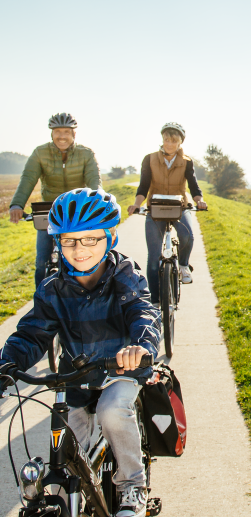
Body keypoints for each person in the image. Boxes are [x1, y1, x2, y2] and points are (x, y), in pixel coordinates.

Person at [0, 188, 161, 517]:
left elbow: (143, 312)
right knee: (70, 454)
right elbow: (32, 333)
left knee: (112, 412)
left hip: (120, 368)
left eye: (90, 239)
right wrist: (6, 364)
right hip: (75, 376)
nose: (80, 249)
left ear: (110, 237)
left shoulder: (124, 276)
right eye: (70, 240)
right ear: (57, 242)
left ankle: (132, 484)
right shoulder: (52, 288)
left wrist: (141, 346)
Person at [9, 113, 102, 287]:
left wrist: (97, 204)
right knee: (42, 262)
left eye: (66, 132)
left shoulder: (86, 154)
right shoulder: (40, 153)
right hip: (49, 211)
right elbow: (28, 179)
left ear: (74, 134)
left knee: (82, 260)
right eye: (57, 131)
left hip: (77, 211)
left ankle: (86, 298)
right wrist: (17, 204)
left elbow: (94, 183)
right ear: (51, 134)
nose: (61, 136)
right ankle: (41, 305)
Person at [127, 122, 206, 303]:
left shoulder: (186, 162)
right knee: (153, 258)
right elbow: (144, 185)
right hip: (155, 207)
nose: (169, 144)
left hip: (179, 206)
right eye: (166, 140)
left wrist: (199, 201)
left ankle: (184, 265)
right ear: (162, 140)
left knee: (187, 236)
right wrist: (136, 204)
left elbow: (193, 185)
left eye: (173, 141)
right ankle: (155, 300)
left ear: (180, 143)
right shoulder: (150, 159)